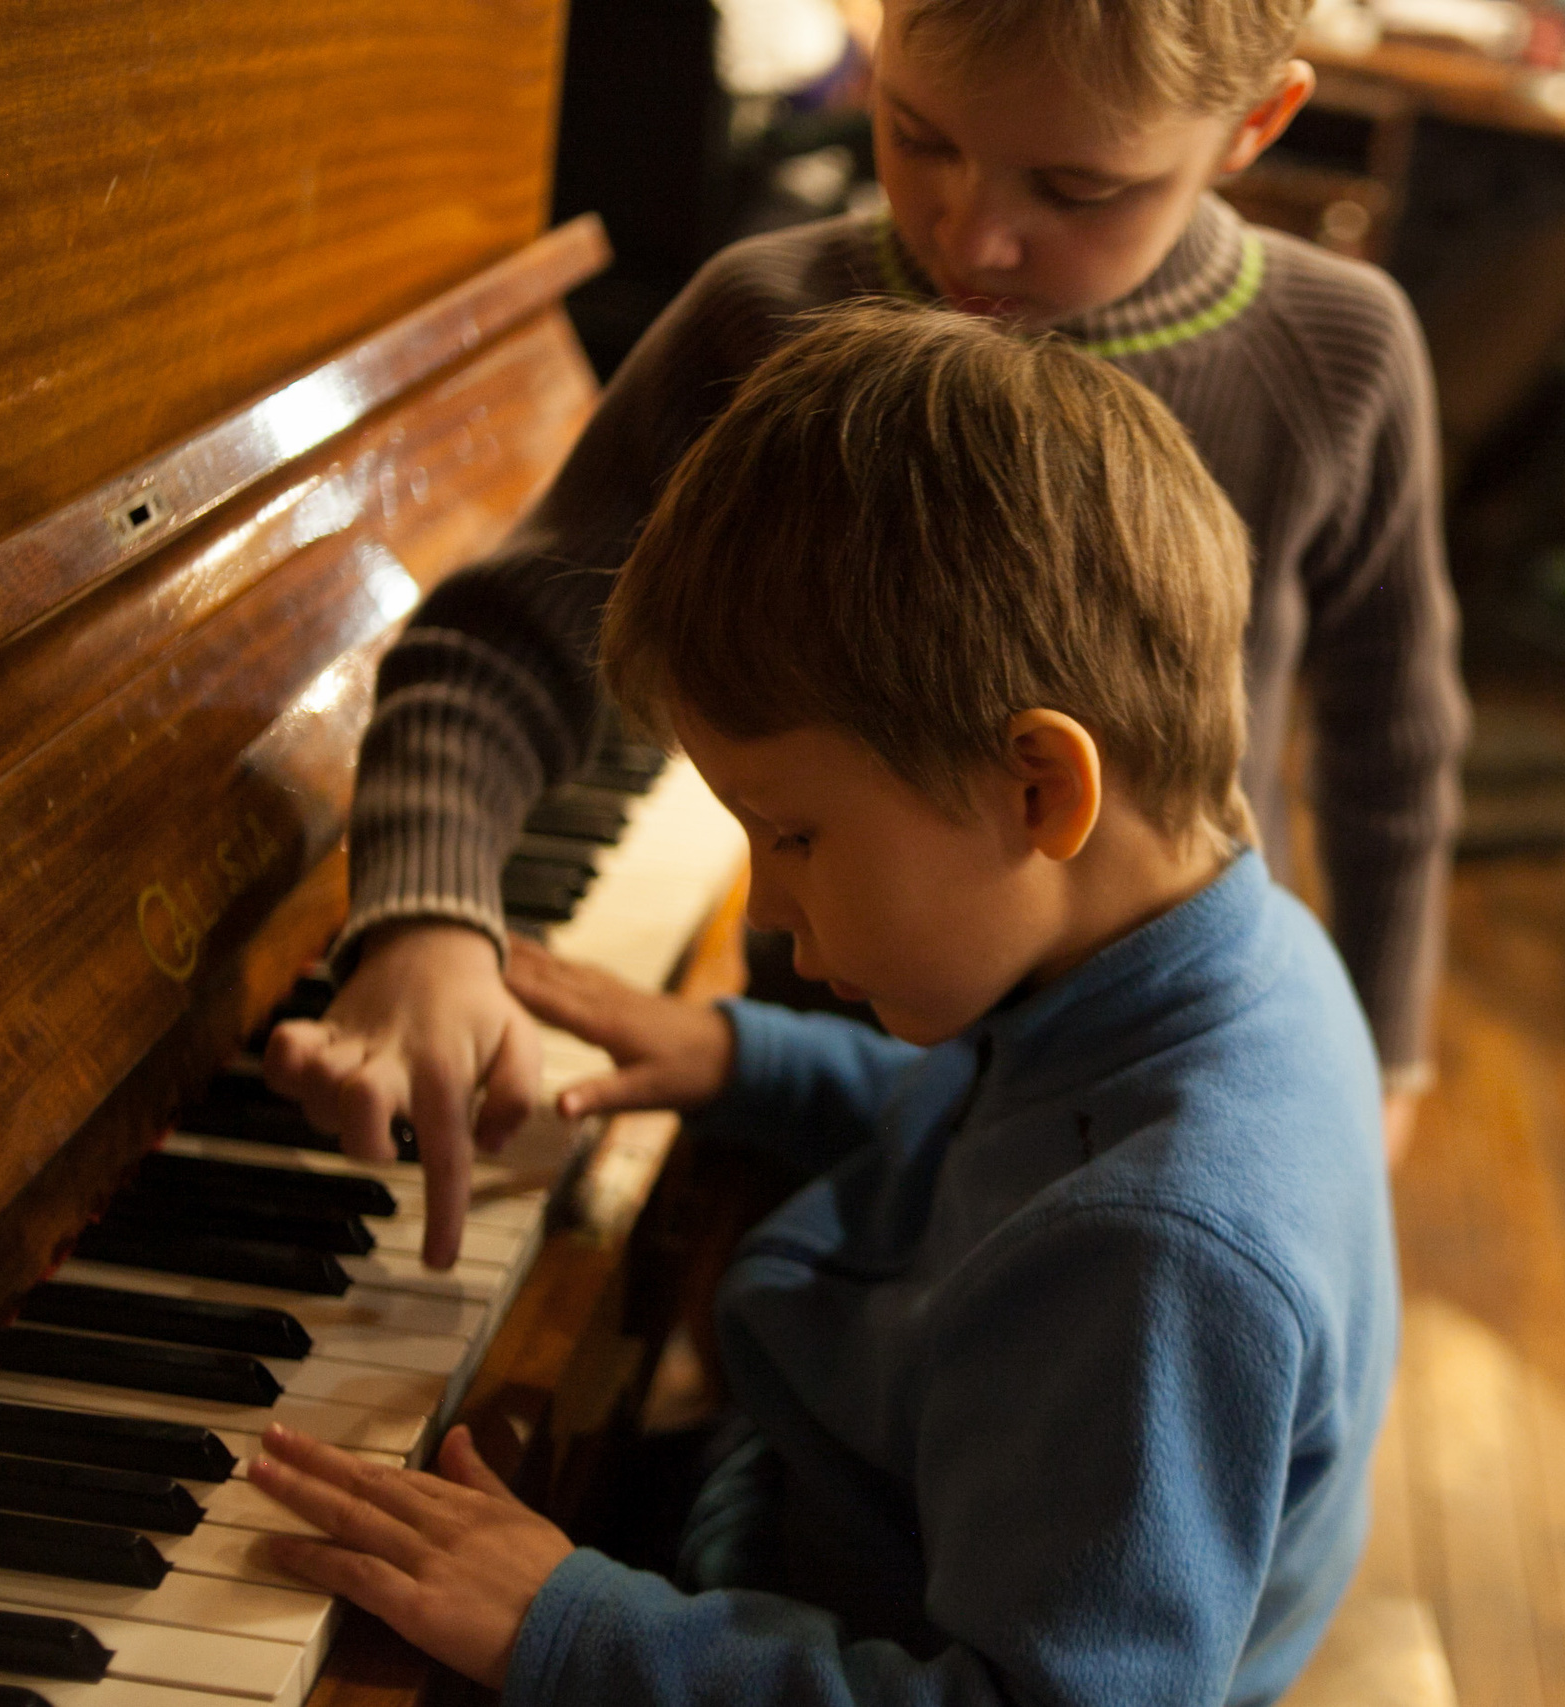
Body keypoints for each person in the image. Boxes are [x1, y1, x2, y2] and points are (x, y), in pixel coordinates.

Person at [248, 301, 1400, 1707]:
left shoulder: (1160, 1255)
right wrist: (745, 1055)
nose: (766, 912)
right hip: (871, 1498)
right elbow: (1001, 1141)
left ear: (1043, 786)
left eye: (792, 834)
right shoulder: (1222, 956)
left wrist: (575, 1624)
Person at [264, 0, 1466, 1268]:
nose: (972, 232)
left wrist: (1386, 1063)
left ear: (1255, 122)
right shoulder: (759, 310)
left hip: (1131, 1114)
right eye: (918, 136)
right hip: (811, 1089)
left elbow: (1393, 745)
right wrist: (426, 913)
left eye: (1075, 186)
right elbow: (506, 643)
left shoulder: (1342, 353)